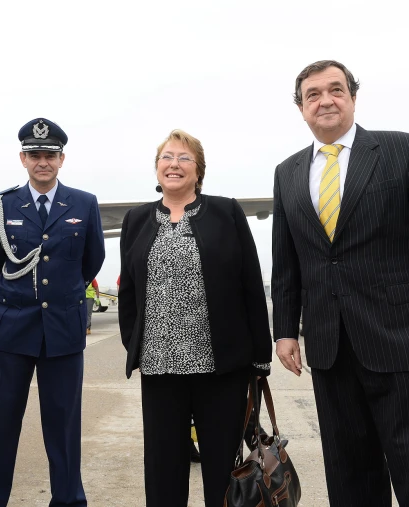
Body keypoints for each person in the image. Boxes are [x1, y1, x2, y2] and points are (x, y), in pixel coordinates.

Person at [272, 60, 409, 507]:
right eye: (313, 95)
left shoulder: (403, 151)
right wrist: (284, 331)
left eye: (336, 90)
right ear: (301, 109)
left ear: (353, 98)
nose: (325, 100)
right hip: (330, 349)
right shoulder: (287, 172)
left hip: (404, 343)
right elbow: (287, 265)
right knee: (349, 474)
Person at [119, 129, 271, 507]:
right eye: (167, 157)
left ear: (198, 170)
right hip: (159, 367)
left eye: (184, 158)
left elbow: (250, 282)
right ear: (157, 169)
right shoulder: (136, 219)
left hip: (221, 367)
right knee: (163, 466)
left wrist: (260, 355)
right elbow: (129, 294)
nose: (174, 164)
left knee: (222, 467)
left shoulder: (226, 211)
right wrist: (134, 344)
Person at [0, 118, 105, 507]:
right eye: (34, 155)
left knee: (63, 429)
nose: (42, 162)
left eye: (49, 155)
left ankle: (68, 501)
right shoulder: (2, 205)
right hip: (12, 330)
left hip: (62, 331)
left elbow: (90, 261)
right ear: (22, 158)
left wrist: (61, 294)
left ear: (61, 159)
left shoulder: (84, 203)